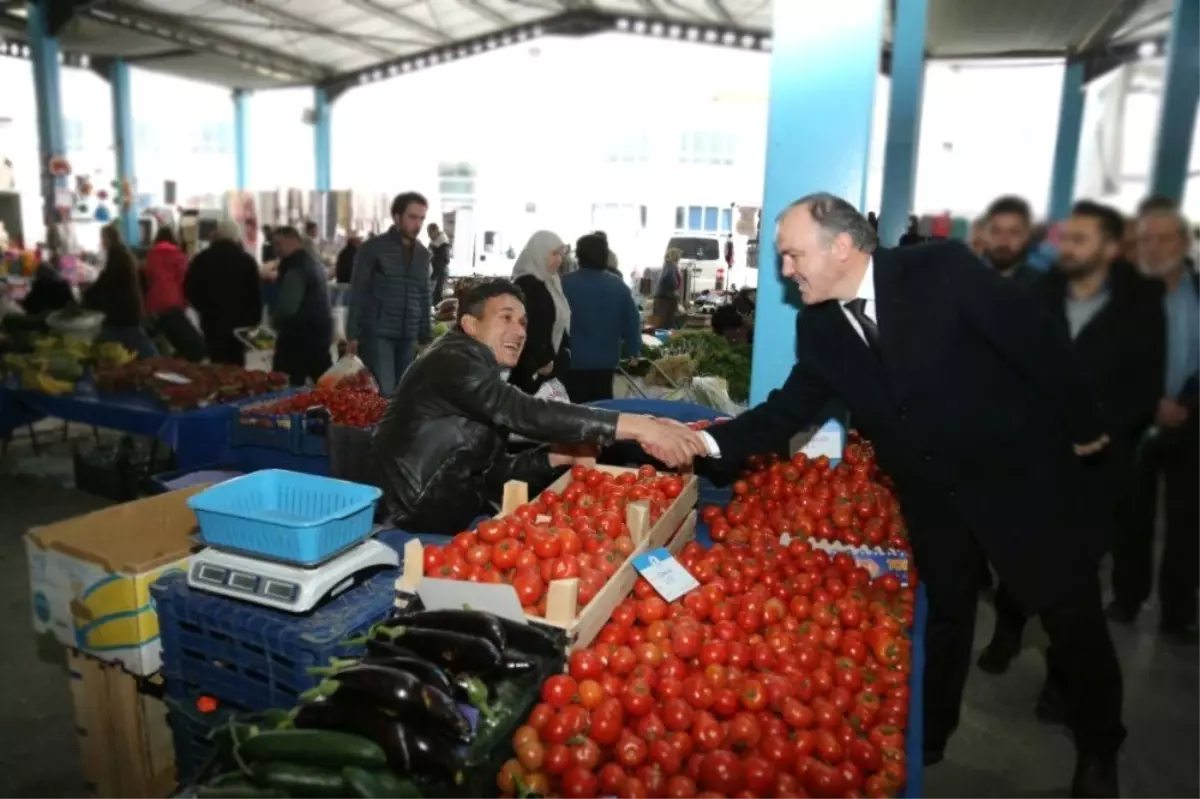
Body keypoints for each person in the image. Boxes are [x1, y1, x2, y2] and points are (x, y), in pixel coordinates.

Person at [665, 193, 1125, 799]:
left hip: (1018, 479)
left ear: (843, 246)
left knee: (1070, 617)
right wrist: (702, 446)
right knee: (947, 615)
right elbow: (785, 413)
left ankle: (1099, 747)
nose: (785, 270)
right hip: (931, 495)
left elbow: (1035, 341)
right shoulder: (821, 326)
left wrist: (1084, 427)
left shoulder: (941, 271)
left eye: (792, 254)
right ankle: (931, 735)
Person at [977, 202, 1164, 716]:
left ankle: (1063, 680)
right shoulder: (1040, 294)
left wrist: (1092, 430)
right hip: (1036, 460)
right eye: (1067, 239)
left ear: (1109, 247)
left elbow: (1144, 388)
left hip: (1098, 467)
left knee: (1077, 578)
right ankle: (1008, 631)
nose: (1068, 248)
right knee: (1022, 556)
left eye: (1080, 240)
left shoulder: (1141, 304)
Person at [370, 279, 698, 534]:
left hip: (442, 512)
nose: (518, 331)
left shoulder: (479, 374)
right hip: (407, 520)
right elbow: (524, 412)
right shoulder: (452, 360)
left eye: (523, 322)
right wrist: (639, 426)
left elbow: (487, 474)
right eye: (506, 318)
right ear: (471, 326)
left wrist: (554, 456)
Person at [1110, 202, 1200, 640]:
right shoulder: (1120, 296)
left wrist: (1187, 403)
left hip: (1192, 421)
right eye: (1145, 238)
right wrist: (1152, 402)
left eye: (1165, 238)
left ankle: (1178, 613)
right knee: (1133, 517)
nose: (1154, 247)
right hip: (1136, 422)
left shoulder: (1197, 291)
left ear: (1185, 242)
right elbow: (1108, 364)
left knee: (1188, 522)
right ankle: (1127, 598)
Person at [347, 192, 433, 394]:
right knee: (383, 392)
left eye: (422, 218)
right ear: (397, 217)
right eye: (412, 217)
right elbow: (358, 291)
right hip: (378, 333)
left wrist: (425, 335)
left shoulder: (423, 254)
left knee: (403, 393)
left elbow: (424, 295)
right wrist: (352, 334)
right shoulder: (373, 249)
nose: (418, 224)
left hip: (408, 335)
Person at [560, 233, 642, 402]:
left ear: (579, 256)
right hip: (606, 361)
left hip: (572, 361)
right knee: (603, 407)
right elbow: (632, 321)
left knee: (574, 409)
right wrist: (633, 350)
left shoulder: (563, 284)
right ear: (605, 257)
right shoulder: (618, 286)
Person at [185, 219, 263, 365]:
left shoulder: (201, 259)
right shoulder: (246, 261)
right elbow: (255, 295)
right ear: (236, 237)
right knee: (237, 363)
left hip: (212, 320)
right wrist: (254, 321)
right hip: (241, 323)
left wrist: (203, 308)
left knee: (217, 362)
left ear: (217, 235)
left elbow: (190, 290)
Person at [508, 231, 571, 395]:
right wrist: (537, 362)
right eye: (554, 254)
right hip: (530, 373)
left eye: (561, 254)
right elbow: (522, 329)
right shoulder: (527, 285)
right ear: (539, 252)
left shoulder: (551, 281)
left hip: (546, 368)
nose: (559, 260)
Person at [270, 226, 334, 386]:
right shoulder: (312, 261)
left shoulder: (295, 267)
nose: (275, 248)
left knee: (286, 383)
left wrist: (275, 321)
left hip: (298, 337)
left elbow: (288, 307)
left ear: (292, 241)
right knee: (325, 382)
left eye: (278, 243)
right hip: (319, 331)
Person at [84, 225, 158, 359]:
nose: (102, 242)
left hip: (123, 309)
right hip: (128, 307)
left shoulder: (117, 256)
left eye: (103, 238)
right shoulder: (122, 253)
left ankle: (159, 363)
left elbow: (105, 280)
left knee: (134, 340)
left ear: (108, 238)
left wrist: (88, 293)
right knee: (133, 339)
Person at [143, 227, 205, 362]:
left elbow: (148, 279)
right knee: (178, 336)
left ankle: (161, 362)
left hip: (154, 303)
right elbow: (184, 280)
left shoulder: (150, 255)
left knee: (160, 337)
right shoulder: (179, 256)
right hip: (174, 301)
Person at [982, 195, 1040, 286]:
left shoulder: (1042, 287)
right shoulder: (963, 281)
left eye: (1013, 233)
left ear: (1025, 237)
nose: (1004, 241)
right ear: (985, 234)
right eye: (996, 231)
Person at [652, 247, 682, 328]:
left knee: (659, 319)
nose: (679, 258)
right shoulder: (671, 266)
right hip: (665, 297)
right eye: (678, 256)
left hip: (664, 296)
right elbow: (671, 281)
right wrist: (674, 290)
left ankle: (653, 333)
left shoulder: (667, 265)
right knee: (661, 320)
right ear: (675, 256)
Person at [428, 222, 450, 307]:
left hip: (440, 272)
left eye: (430, 233)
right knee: (433, 294)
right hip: (435, 272)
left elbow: (446, 259)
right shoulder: (434, 241)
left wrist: (434, 257)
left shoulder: (443, 242)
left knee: (437, 295)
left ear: (436, 231)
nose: (429, 235)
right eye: (428, 233)